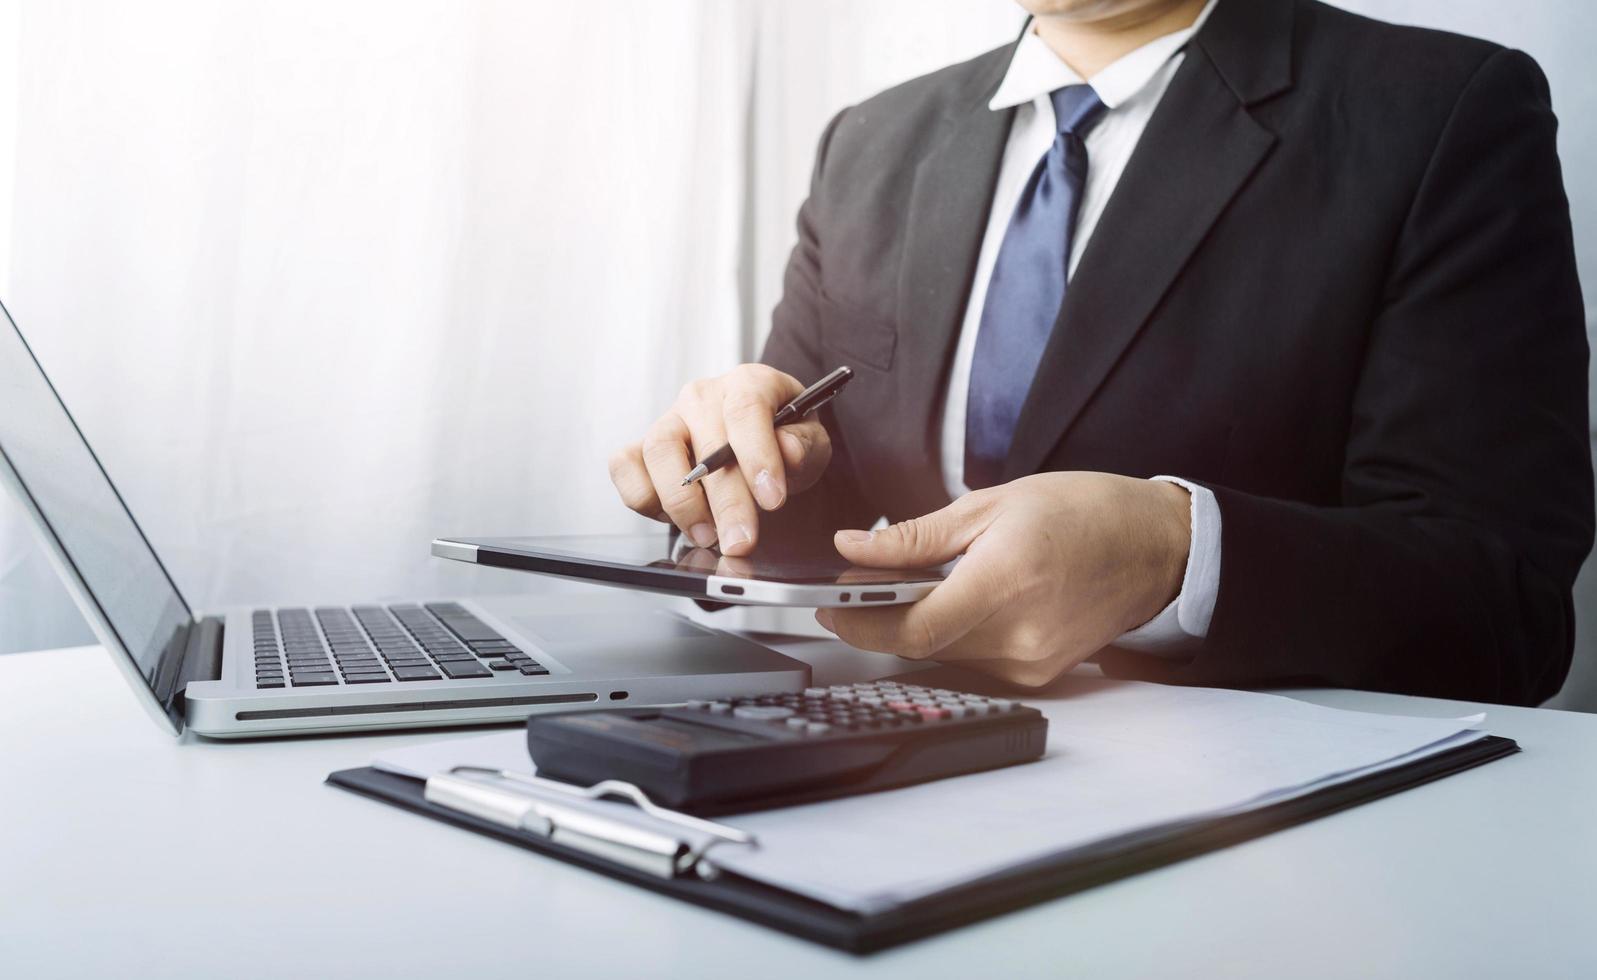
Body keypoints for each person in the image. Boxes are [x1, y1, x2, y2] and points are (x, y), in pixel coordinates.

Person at [608, 0, 1592, 705]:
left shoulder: (1441, 111)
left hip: (1256, 838)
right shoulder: (869, 142)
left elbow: (1505, 609)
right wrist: (740, 463)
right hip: (881, 757)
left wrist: (1174, 553)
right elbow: (815, 511)